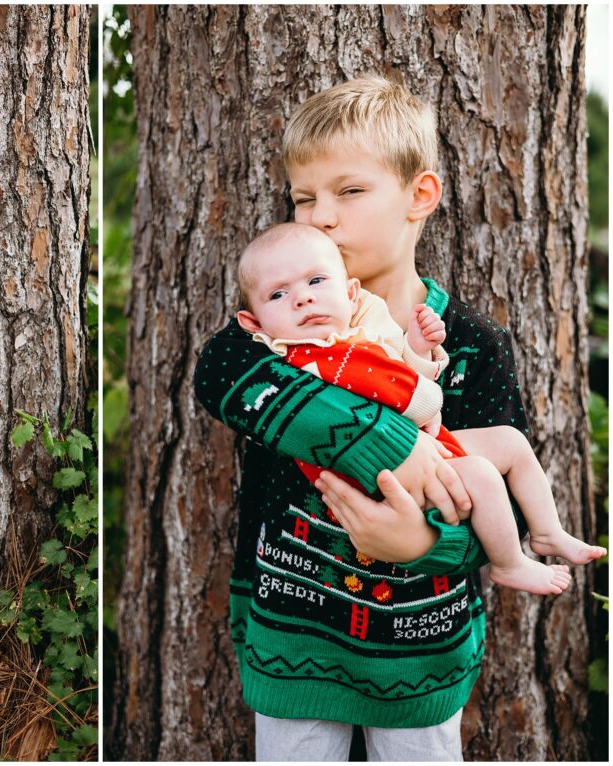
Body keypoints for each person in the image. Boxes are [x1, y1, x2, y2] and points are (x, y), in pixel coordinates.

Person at [192, 75, 576, 761]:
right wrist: (394, 447)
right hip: (295, 633)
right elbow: (218, 377)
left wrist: (421, 543)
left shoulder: (470, 343)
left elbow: (502, 514)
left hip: (419, 650)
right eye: (304, 199)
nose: (320, 219)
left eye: (349, 191)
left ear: (419, 197)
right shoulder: (276, 333)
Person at [235, 222, 603, 596]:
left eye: (316, 282)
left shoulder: (354, 339)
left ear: (350, 293)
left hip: (413, 443)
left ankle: (546, 531)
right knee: (481, 474)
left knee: (509, 442)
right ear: (253, 322)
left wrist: (416, 349)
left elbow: (399, 381)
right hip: (373, 474)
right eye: (278, 294)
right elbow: (413, 399)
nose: (302, 299)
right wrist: (425, 405)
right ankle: (508, 563)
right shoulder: (301, 358)